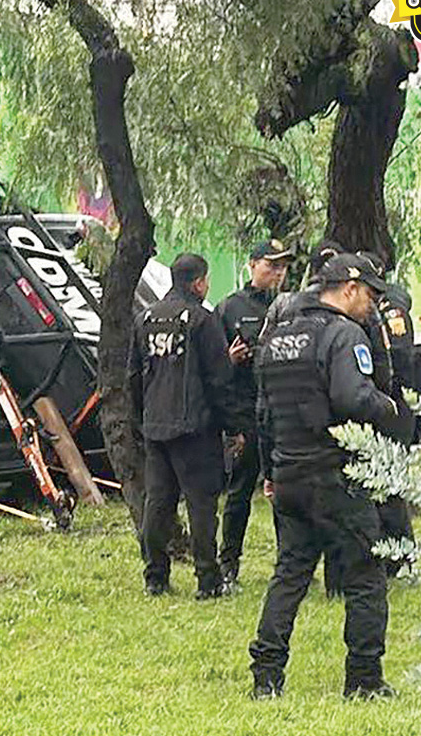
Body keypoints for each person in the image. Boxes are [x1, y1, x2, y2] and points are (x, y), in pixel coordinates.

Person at [249, 253, 403, 699]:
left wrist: (270, 472)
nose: (373, 305)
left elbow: (264, 414)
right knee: (365, 577)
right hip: (335, 477)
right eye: (371, 295)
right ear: (348, 289)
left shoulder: (276, 338)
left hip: (290, 475)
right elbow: (353, 397)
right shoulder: (343, 335)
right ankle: (364, 680)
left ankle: (267, 676)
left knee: (290, 574)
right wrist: (391, 410)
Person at [135, 253, 246, 599]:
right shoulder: (202, 319)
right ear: (199, 282)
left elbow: (132, 375)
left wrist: (144, 418)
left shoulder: (146, 318)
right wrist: (234, 426)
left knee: (158, 502)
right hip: (194, 427)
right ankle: (208, 580)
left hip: (155, 425)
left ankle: (155, 576)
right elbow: (219, 380)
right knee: (201, 505)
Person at [215, 239, 292, 586]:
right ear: (251, 266)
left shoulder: (293, 306)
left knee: (287, 491)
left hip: (284, 411)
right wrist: (230, 362)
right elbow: (213, 368)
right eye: (270, 265)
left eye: (282, 266)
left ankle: (289, 564)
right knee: (240, 493)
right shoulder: (230, 308)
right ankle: (228, 564)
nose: (277, 272)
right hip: (246, 411)